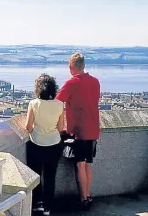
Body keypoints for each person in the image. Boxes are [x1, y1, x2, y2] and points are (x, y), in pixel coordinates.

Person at [56, 52, 101, 208]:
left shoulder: (72, 83)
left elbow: (56, 102)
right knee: (88, 164)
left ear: (71, 67)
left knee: (80, 164)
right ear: (83, 65)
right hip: (94, 129)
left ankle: (84, 198)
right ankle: (88, 195)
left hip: (79, 130)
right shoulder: (95, 82)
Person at [25, 73, 65, 216]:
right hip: (54, 145)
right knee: (50, 176)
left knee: (36, 175)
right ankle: (48, 207)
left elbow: (28, 127)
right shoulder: (60, 105)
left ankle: (37, 205)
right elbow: (60, 128)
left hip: (36, 144)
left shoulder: (33, 104)